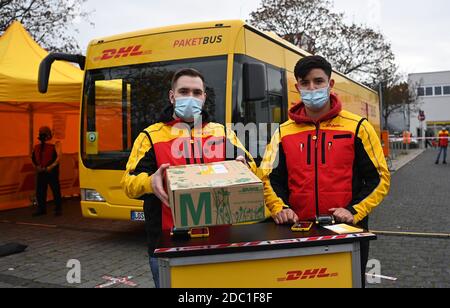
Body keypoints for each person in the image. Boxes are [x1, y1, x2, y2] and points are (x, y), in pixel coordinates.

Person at [260, 56, 391, 287]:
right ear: (297, 87)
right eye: (305, 83)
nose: (312, 88)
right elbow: (268, 177)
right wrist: (279, 207)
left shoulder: (358, 126)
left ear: (330, 85)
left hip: (347, 231)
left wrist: (353, 211)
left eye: (318, 81)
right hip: (297, 231)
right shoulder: (282, 132)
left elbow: (379, 178)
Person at [121, 68, 256, 288]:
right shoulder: (150, 136)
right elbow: (128, 183)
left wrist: (245, 168)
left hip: (218, 242)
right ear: (172, 96)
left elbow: (252, 167)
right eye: (184, 91)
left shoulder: (222, 133)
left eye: (196, 92)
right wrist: (150, 182)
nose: (190, 97)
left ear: (204, 97)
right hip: (168, 243)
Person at [31, 126, 62, 217]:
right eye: (40, 132)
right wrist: (36, 166)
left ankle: (58, 209)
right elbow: (33, 157)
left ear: (48, 133)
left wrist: (49, 167)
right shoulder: (37, 144)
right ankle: (41, 209)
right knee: (40, 191)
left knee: (55, 190)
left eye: (43, 132)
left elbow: (58, 157)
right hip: (41, 171)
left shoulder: (56, 143)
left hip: (52, 171)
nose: (41, 133)